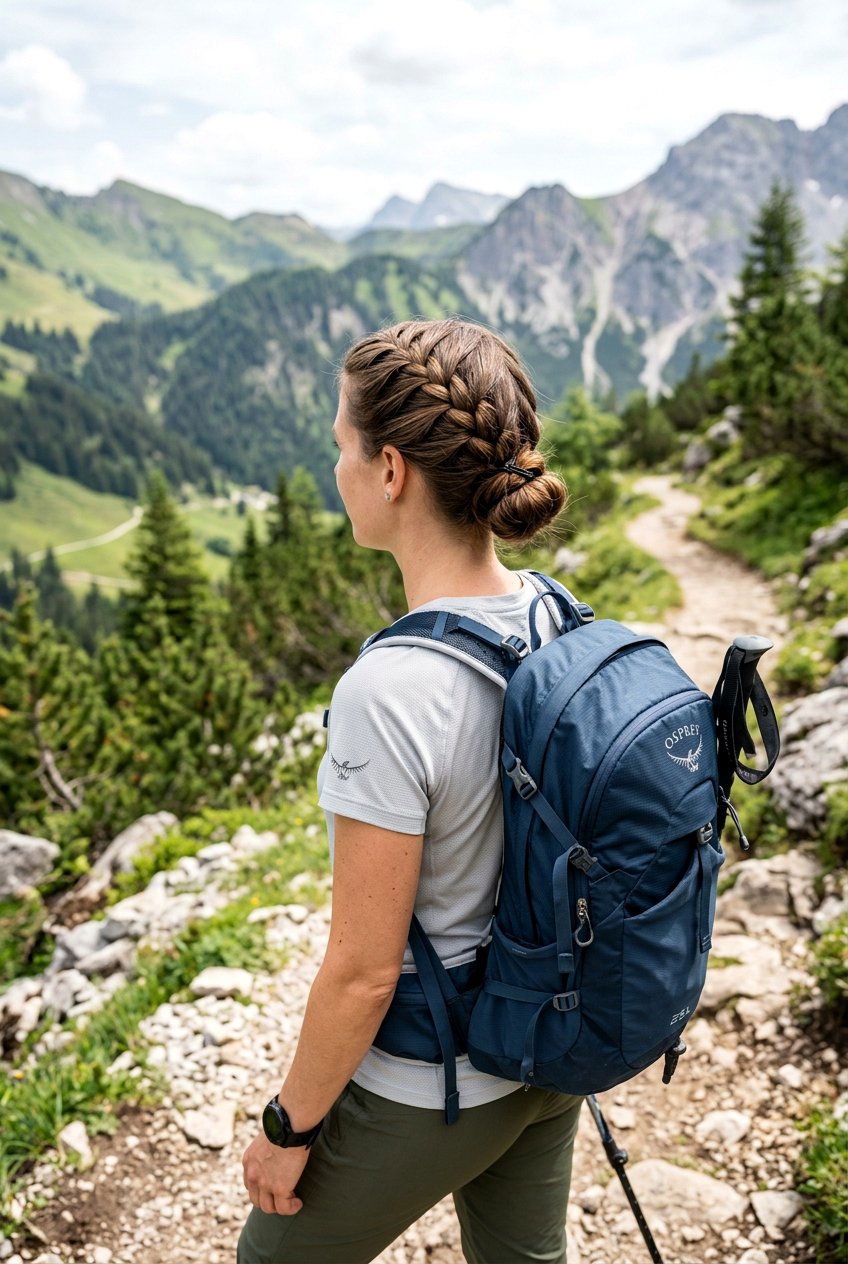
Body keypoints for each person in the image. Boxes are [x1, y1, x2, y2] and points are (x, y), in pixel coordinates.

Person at [237, 317, 585, 1264]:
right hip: (554, 1047)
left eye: (341, 448)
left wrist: (288, 1127)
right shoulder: (555, 612)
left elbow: (363, 972)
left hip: (442, 1078)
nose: (336, 469)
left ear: (391, 470)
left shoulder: (389, 690)